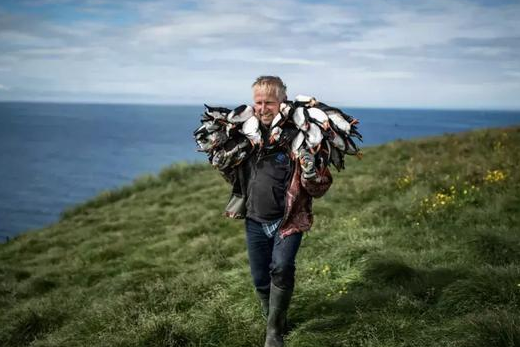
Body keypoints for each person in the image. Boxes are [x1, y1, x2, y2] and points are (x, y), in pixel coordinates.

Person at [223, 76, 332, 347]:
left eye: (269, 102)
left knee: (281, 268)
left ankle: (273, 333)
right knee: (260, 278)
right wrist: (224, 161)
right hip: (254, 219)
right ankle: (275, 318)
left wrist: (309, 171)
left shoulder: (300, 136)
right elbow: (236, 178)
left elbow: (320, 186)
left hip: (289, 220)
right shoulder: (247, 137)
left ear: (282, 102)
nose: (262, 108)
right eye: (258, 102)